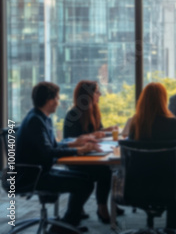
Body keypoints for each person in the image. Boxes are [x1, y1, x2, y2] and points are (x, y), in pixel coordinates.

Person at [16, 82, 100, 234]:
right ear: (49, 100)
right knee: (85, 183)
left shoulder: (42, 118)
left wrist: (74, 143)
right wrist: (79, 151)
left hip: (41, 171)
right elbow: (49, 152)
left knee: (86, 179)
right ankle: (66, 225)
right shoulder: (35, 121)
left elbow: (53, 146)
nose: (58, 102)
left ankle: (67, 224)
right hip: (33, 176)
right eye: (57, 98)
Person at [128, 82, 176, 230]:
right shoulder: (172, 123)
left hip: (138, 185)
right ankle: (171, 227)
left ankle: (153, 222)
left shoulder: (136, 123)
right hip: (170, 185)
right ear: (163, 100)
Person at [63, 80, 123, 224]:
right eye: (97, 92)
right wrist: (94, 136)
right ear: (87, 95)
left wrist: (105, 131)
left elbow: (93, 132)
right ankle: (101, 207)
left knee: (107, 167)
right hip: (77, 159)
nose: (100, 94)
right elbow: (71, 140)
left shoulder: (94, 111)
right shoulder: (74, 114)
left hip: (91, 154)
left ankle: (97, 206)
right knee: (105, 171)